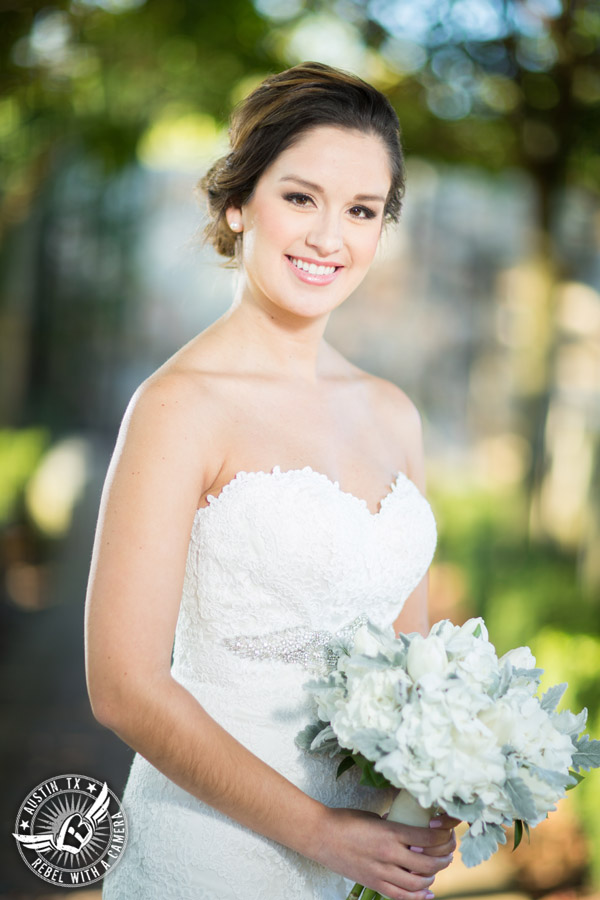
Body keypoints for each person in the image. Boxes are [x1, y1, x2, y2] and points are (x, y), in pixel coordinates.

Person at [85, 61, 458, 900]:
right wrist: (325, 836)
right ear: (237, 202)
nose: (331, 237)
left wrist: (445, 781)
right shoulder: (178, 407)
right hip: (212, 854)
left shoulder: (395, 414)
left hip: (367, 863)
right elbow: (123, 688)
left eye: (362, 210)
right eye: (301, 197)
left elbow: (414, 665)